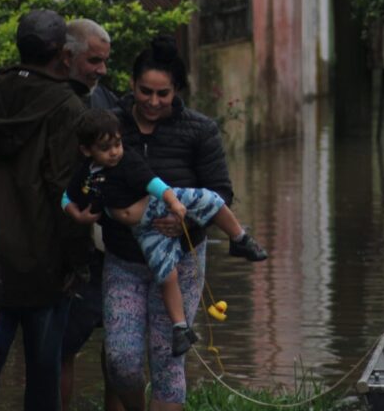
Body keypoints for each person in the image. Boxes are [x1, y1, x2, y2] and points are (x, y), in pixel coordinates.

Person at [101, 35, 238, 411]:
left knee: (168, 355)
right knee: (121, 357)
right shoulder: (112, 125)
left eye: (163, 93)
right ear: (131, 84)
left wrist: (187, 223)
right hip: (124, 259)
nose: (154, 101)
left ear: (176, 90)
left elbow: (222, 194)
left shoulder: (199, 130)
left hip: (182, 259)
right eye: (146, 91)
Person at [0, 9, 89, 411]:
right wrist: (77, 260)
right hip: (44, 267)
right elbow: (65, 189)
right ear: (61, 54)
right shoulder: (68, 106)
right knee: (43, 377)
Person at [63, 109, 266, 355]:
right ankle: (181, 328)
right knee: (166, 273)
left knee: (210, 200)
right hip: (142, 230)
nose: (115, 151)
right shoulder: (87, 174)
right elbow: (67, 196)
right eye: (106, 148)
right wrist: (76, 214)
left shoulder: (128, 160)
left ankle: (239, 237)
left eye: (117, 144)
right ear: (87, 150)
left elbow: (155, 183)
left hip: (158, 205)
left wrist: (174, 202)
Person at [59, 18, 126, 411]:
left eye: (105, 61)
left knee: (119, 342)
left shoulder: (107, 102)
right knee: (63, 343)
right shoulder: (55, 104)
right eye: (94, 61)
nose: (101, 70)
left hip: (111, 242)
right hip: (69, 248)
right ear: (68, 57)